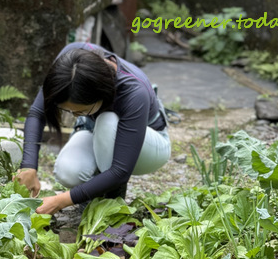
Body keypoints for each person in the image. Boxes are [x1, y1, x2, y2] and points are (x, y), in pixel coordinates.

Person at [15, 42, 171, 215]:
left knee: (107, 121)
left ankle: (111, 199)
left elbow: (120, 171)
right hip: (97, 130)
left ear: (102, 94)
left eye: (81, 111)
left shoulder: (133, 91)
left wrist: (61, 201)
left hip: (148, 145)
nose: (75, 116)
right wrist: (28, 166)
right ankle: (97, 187)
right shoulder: (71, 61)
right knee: (68, 171)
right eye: (68, 111)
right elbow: (37, 113)